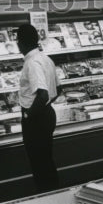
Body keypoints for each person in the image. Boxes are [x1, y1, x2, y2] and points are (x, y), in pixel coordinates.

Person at [17, 23, 60, 193]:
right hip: (47, 114)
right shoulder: (45, 58)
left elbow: (42, 94)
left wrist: (28, 115)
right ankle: (53, 193)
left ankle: (46, 195)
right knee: (46, 160)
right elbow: (57, 90)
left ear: (19, 42)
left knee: (38, 163)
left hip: (36, 118)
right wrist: (46, 105)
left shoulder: (32, 63)